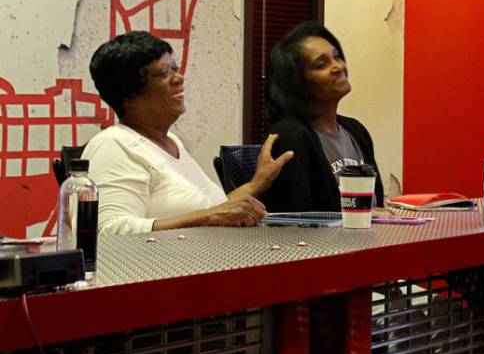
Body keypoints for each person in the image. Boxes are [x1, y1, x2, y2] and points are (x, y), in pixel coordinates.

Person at [83, 31, 293, 234]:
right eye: (164, 73)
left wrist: (258, 183)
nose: (179, 78)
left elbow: (217, 209)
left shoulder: (171, 141)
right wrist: (209, 217)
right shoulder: (113, 145)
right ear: (129, 95)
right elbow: (107, 231)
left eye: (175, 69)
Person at [262, 21, 384, 212]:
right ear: (298, 83)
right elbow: (296, 220)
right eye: (322, 64)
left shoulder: (356, 131)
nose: (337, 66)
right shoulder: (290, 136)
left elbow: (376, 208)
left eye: (336, 57)